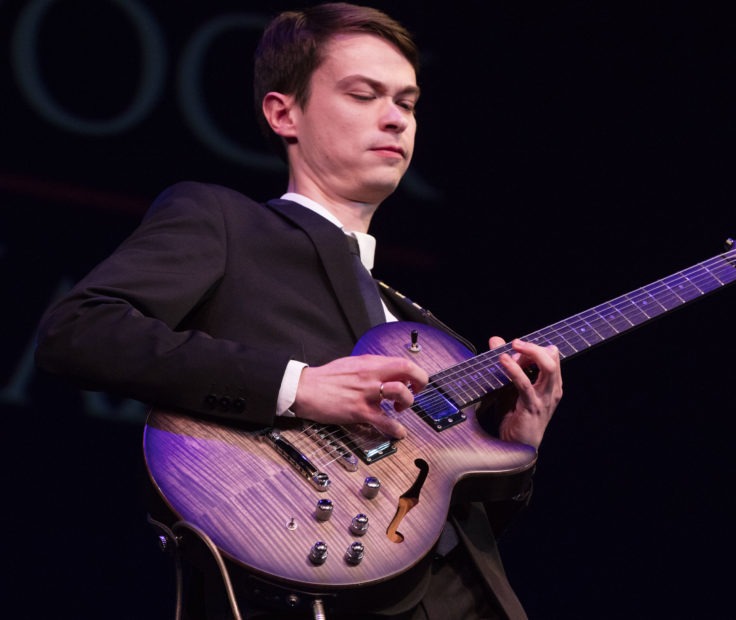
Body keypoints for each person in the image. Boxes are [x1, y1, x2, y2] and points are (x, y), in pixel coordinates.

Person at [35, 3, 562, 619]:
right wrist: (297, 386)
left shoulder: (424, 327)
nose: (395, 119)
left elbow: (432, 522)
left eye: (408, 102)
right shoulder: (226, 221)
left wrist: (516, 449)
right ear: (284, 112)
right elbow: (77, 330)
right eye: (364, 95)